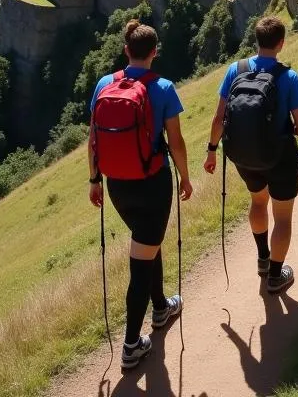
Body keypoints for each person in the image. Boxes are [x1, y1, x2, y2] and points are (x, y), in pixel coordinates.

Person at [88, 20, 193, 372]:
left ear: (125, 50)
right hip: (151, 184)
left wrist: (93, 180)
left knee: (148, 244)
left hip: (117, 184)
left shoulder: (105, 83)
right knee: (140, 261)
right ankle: (131, 344)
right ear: (155, 52)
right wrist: (186, 176)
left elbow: (93, 137)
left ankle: (161, 307)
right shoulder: (163, 87)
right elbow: (175, 141)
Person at [204, 16, 298, 294]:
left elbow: (219, 119)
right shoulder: (288, 77)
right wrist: (297, 131)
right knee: (283, 217)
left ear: (256, 41)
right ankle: (276, 275)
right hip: (279, 157)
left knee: (258, 201)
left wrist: (212, 151)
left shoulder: (235, 70)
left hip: (244, 156)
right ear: (280, 43)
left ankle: (263, 257)